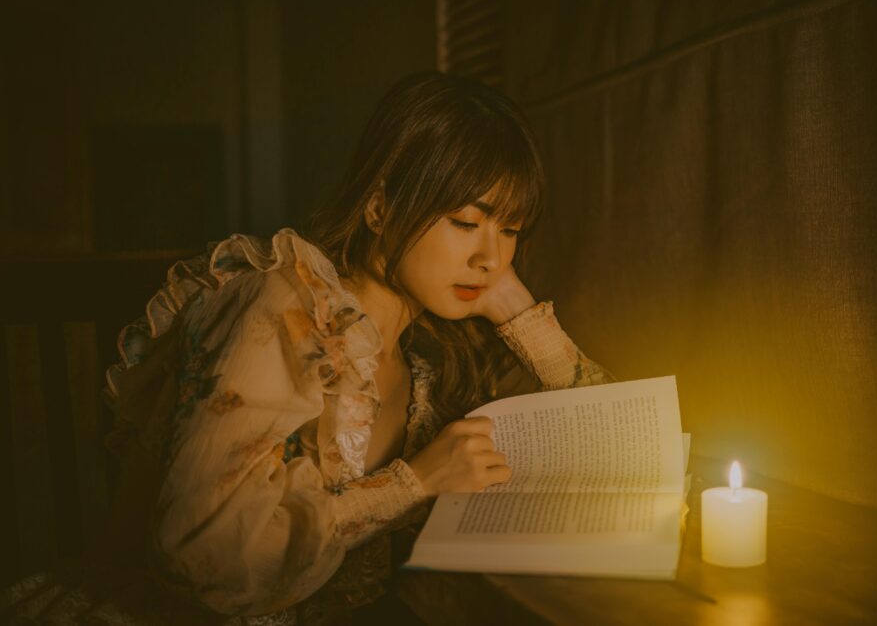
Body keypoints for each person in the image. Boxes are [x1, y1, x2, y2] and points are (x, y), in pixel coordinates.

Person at [1, 71, 613, 625]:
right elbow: (202, 557)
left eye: (509, 230)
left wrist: (516, 309)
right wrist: (413, 484)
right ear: (379, 205)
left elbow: (614, 441)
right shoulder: (276, 305)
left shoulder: (429, 363)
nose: (491, 257)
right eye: (464, 221)